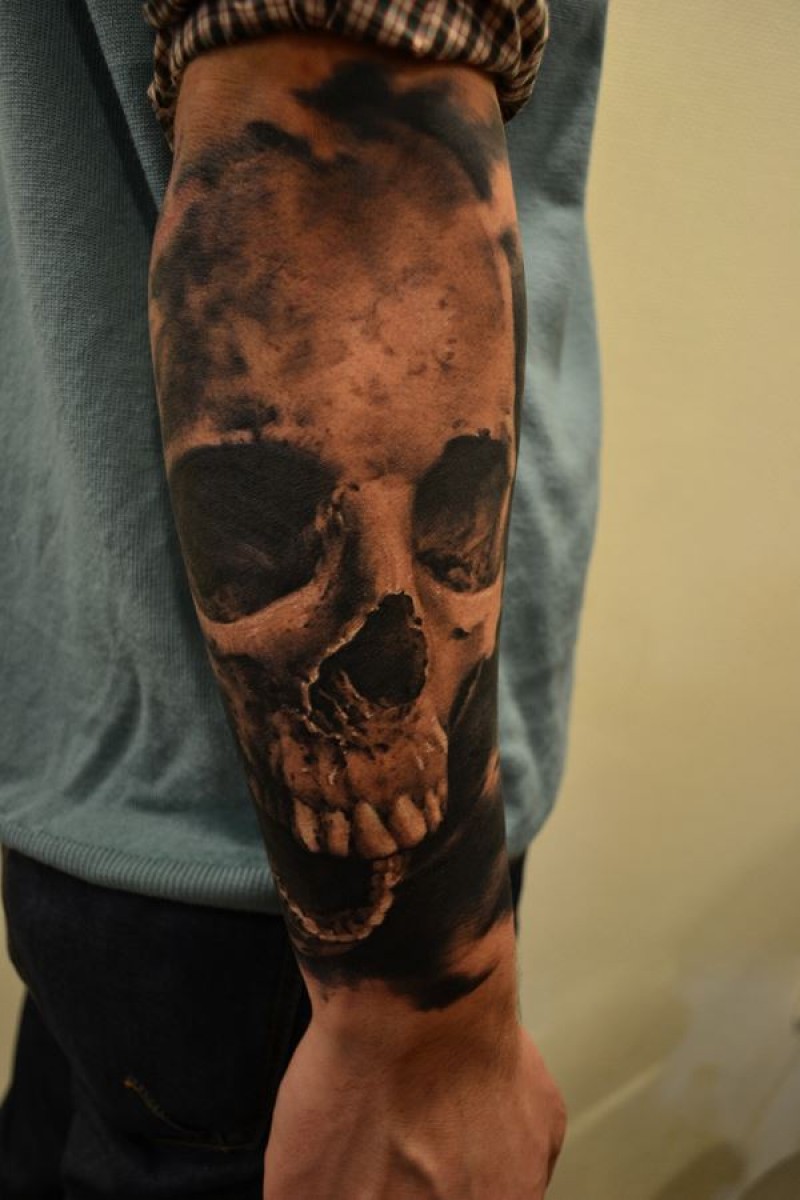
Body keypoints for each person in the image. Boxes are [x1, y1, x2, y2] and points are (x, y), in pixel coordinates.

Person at [0, 1, 607, 1195]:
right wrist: (423, 1011)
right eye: (267, 525)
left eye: (437, 521)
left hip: (94, 787)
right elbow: (341, 112)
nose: (386, 630)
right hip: (288, 924)